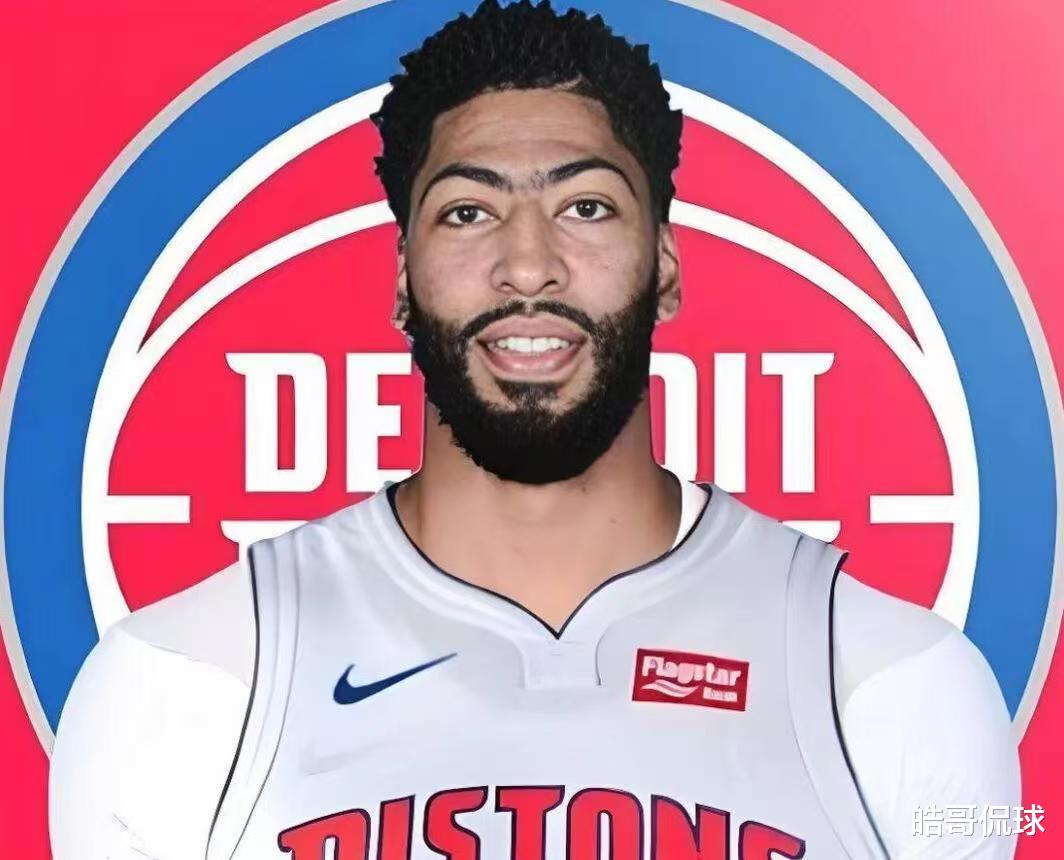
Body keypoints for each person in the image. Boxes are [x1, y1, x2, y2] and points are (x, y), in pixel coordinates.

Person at [49, 2, 1020, 858]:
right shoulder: (179, 686)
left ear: (665, 265)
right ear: (401, 277)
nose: (526, 264)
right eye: (467, 211)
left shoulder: (899, 685)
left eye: (585, 206)